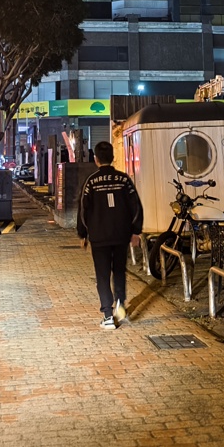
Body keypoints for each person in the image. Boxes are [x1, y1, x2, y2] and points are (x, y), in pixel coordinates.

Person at [77, 140, 143, 330]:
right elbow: (136, 206)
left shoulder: (90, 182)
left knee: (103, 275)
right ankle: (120, 303)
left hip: (99, 237)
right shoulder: (124, 180)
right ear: (113, 158)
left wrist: (83, 234)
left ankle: (107, 314)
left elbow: (83, 210)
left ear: (96, 159)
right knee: (120, 271)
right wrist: (136, 231)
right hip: (121, 234)